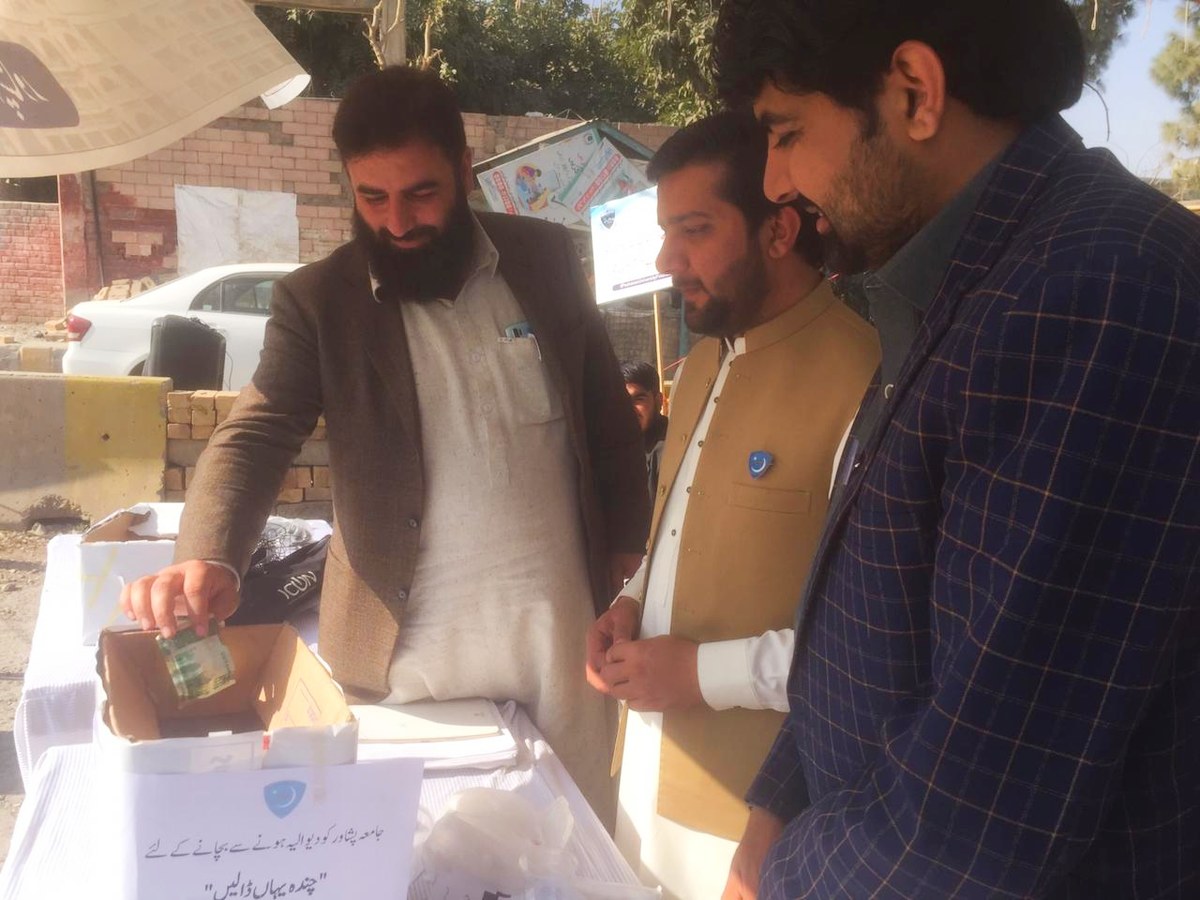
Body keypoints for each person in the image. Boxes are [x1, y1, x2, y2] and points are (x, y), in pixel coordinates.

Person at [712, 2, 1200, 898]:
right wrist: (777, 803)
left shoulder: (1097, 291)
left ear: (914, 92)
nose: (776, 181)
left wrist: (781, 880)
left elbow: (979, 813)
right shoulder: (969, 279)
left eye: (786, 133)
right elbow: (878, 615)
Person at [121, 65, 649, 824]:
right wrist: (207, 553)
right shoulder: (318, 302)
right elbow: (257, 432)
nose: (397, 222)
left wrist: (630, 548)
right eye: (373, 197)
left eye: (421, 193)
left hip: (559, 641)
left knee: (564, 840)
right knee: (408, 846)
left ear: (464, 168)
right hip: (405, 658)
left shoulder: (544, 260)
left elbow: (604, 409)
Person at [586, 110, 879, 898]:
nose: (666, 259)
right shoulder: (698, 366)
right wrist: (629, 602)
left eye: (694, 230)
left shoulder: (869, 378)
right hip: (644, 767)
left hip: (760, 817)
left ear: (779, 231)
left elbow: (872, 646)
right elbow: (678, 533)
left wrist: (701, 674)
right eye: (665, 232)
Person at [621, 360, 669, 502]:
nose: (629, 410)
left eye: (638, 399)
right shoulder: (613, 446)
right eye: (622, 401)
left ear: (658, 401)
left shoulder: (669, 448)